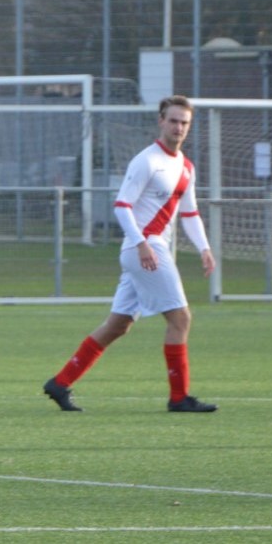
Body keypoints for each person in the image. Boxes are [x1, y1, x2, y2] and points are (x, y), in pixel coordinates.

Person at [42, 95, 218, 414]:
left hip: (149, 250)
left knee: (118, 325)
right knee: (180, 318)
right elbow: (122, 205)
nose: (179, 127)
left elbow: (190, 213)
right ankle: (179, 397)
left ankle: (60, 382)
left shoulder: (186, 167)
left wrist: (204, 248)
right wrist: (141, 243)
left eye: (185, 122)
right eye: (174, 120)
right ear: (161, 121)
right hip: (145, 249)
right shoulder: (147, 160)